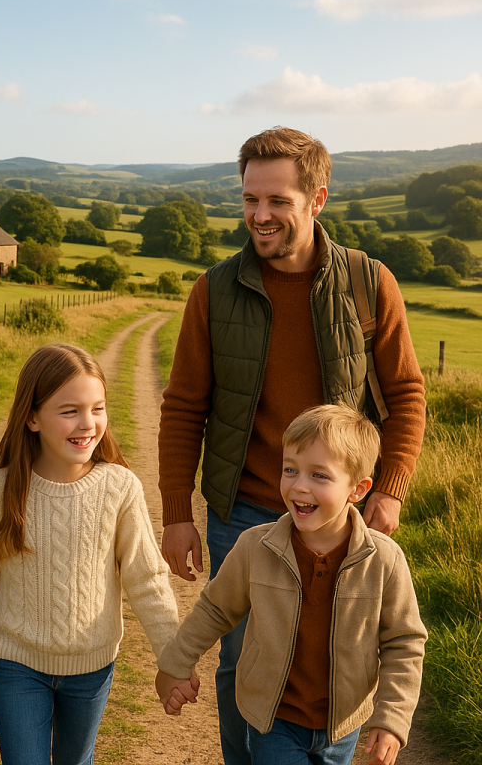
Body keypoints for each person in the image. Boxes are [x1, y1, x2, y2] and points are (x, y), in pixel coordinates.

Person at [158, 126, 426, 763]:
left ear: (317, 199)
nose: (260, 215)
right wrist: (175, 513)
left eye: (277, 200)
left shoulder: (368, 283)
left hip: (340, 511)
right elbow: (183, 406)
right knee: (239, 665)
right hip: (244, 509)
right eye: (251, 199)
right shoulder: (215, 288)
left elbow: (408, 394)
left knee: (336, 660)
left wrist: (389, 490)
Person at [0, 343, 179, 765]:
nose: (88, 423)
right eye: (70, 410)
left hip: (92, 669)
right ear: (32, 417)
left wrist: (172, 658)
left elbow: (146, 578)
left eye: (98, 408)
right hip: (17, 666)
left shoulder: (120, 488)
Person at [156, 405, 427, 765]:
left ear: (358, 489)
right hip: (274, 719)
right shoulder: (256, 547)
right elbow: (215, 609)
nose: (299, 486)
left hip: (342, 725)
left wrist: (392, 717)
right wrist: (176, 663)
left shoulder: (384, 561)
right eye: (290, 469)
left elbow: (404, 642)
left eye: (319, 475)